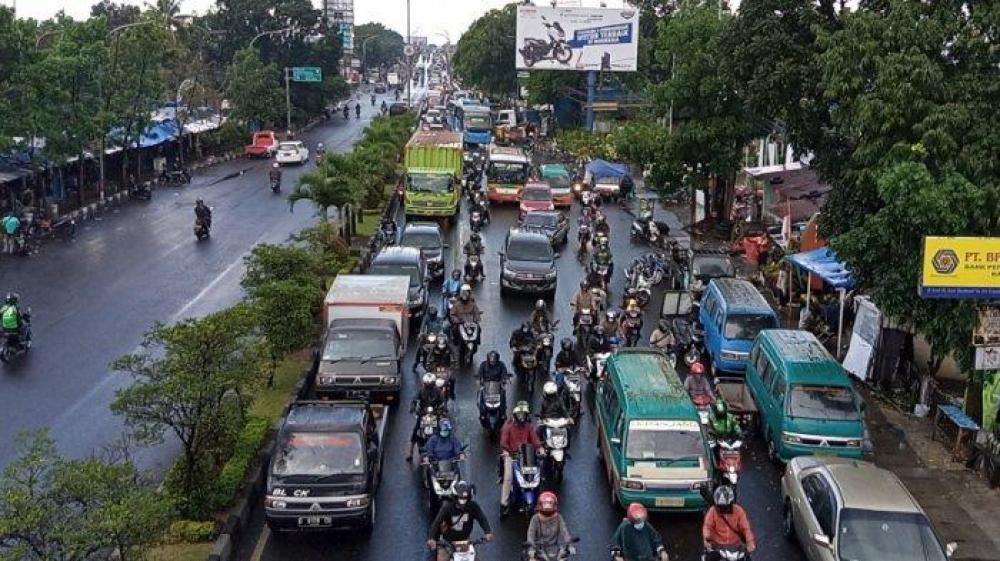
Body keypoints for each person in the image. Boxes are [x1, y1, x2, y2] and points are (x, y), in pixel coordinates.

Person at [427, 481, 494, 561]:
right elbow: (437, 522)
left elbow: (482, 518)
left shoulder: (473, 506)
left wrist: (488, 532)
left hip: (465, 541)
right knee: (442, 559)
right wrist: (432, 538)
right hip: (447, 542)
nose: (462, 502)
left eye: (465, 499)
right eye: (460, 498)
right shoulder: (447, 507)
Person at [499, 401, 544, 515]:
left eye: (523, 415)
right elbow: (503, 442)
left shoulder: (528, 427)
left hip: (526, 455)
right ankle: (504, 504)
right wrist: (507, 452)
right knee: (508, 477)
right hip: (512, 455)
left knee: (538, 474)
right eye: (519, 415)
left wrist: (540, 448)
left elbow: (534, 439)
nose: (521, 417)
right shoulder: (508, 426)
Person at [702, 486, 756, 559]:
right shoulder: (713, 511)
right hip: (718, 546)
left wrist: (750, 542)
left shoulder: (739, 511)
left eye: (726, 506)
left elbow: (746, 528)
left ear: (731, 503)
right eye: (720, 506)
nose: (723, 509)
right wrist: (707, 538)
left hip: (736, 546)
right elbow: (707, 526)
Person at [407, 372, 448, 461]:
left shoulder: (438, 391)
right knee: (416, 430)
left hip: (435, 414)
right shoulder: (421, 391)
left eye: (431, 384)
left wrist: (444, 410)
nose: (429, 386)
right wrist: (413, 407)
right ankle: (410, 452)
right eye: (427, 384)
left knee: (443, 429)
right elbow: (414, 399)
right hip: (423, 414)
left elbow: (443, 401)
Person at [526, 492, 575, 561]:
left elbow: (564, 531)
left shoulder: (558, 517)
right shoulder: (535, 518)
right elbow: (531, 533)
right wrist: (531, 548)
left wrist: (569, 544)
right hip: (538, 549)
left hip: (555, 549)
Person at [421, 418, 466, 487]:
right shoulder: (433, 439)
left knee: (458, 481)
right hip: (436, 464)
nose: (446, 432)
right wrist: (426, 458)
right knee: (430, 479)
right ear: (439, 430)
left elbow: (458, 449)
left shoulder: (452, 438)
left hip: (451, 464)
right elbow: (427, 450)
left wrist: (461, 455)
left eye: (447, 430)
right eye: (444, 430)